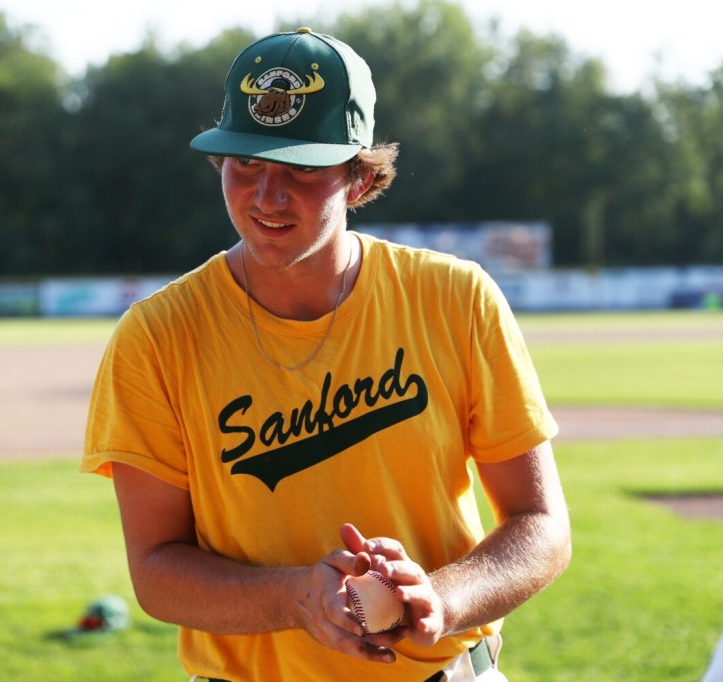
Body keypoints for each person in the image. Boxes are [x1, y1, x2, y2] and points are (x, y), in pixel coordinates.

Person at [82, 27, 571, 681]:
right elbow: (156, 571)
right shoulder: (158, 336)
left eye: (302, 167)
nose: (265, 195)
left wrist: (443, 598)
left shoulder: (454, 298)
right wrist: (297, 597)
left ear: (361, 179)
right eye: (246, 163)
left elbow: (540, 523)